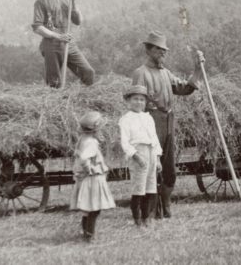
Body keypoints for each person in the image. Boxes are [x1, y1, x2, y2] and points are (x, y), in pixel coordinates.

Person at [131, 31, 203, 218]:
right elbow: (137, 103)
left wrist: (197, 69)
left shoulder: (166, 73)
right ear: (148, 50)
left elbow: (185, 89)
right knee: (152, 165)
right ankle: (152, 209)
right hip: (150, 122)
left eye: (164, 50)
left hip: (168, 121)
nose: (163, 53)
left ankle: (166, 203)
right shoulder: (141, 73)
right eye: (158, 49)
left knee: (169, 167)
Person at [32, 0, 95, 88]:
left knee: (88, 72)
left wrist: (74, 2)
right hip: (51, 45)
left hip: (69, 44)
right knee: (54, 83)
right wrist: (58, 36)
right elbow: (38, 27)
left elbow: (78, 21)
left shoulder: (66, 0)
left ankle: (85, 101)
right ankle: (55, 105)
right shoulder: (41, 1)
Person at [119, 85, 162, 227]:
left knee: (150, 186)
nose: (139, 102)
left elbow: (154, 138)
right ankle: (137, 219)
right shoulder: (125, 119)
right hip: (138, 153)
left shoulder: (148, 118)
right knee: (139, 188)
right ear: (128, 101)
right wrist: (136, 156)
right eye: (135, 99)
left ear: (146, 102)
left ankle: (147, 217)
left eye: (142, 100)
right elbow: (125, 142)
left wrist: (157, 158)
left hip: (150, 153)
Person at [69, 111, 116, 242]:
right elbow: (84, 158)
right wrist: (89, 169)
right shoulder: (91, 142)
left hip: (86, 179)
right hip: (92, 179)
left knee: (87, 208)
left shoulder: (83, 139)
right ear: (95, 129)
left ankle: (86, 234)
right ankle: (90, 236)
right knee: (94, 209)